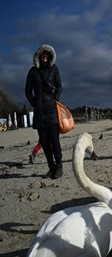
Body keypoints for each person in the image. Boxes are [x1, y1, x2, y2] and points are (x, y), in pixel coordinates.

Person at [25, 44, 64, 179]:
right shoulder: (33, 72)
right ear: (38, 56)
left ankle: (59, 167)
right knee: (44, 142)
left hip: (52, 111)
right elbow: (27, 91)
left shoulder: (54, 69)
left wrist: (55, 99)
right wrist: (34, 103)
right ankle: (51, 168)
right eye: (42, 55)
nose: (45, 57)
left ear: (50, 56)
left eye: (47, 55)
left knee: (55, 140)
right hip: (39, 113)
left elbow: (59, 86)